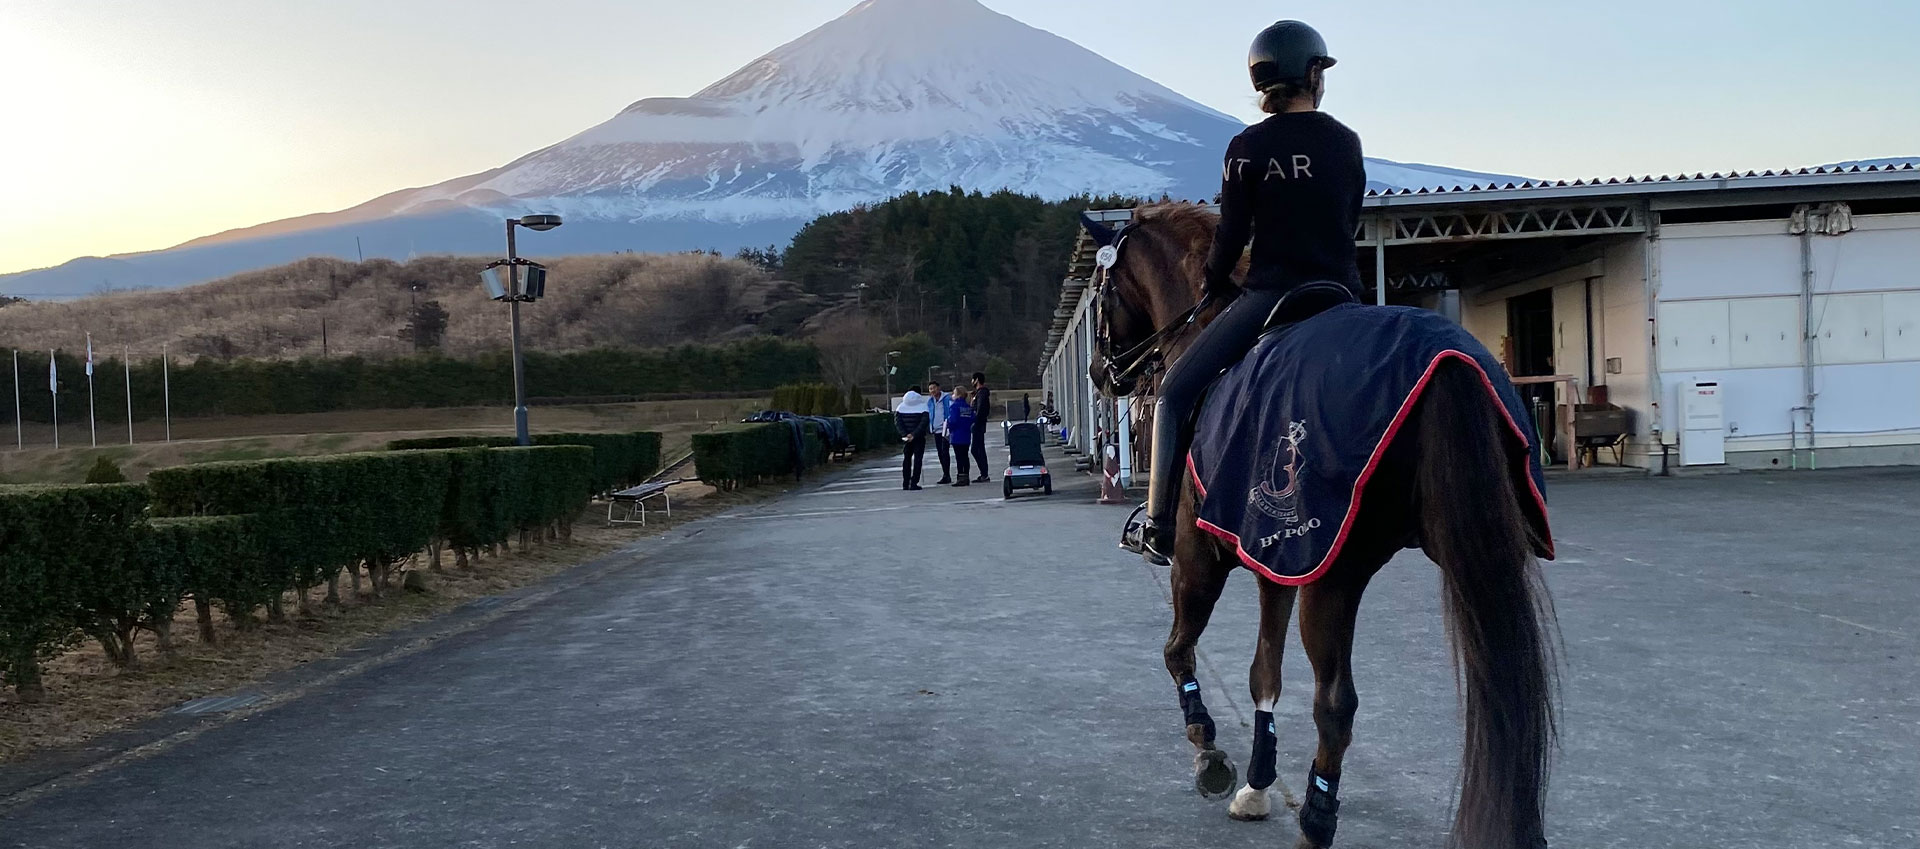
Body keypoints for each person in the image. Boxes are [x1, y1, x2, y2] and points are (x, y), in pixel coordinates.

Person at [1135, 20, 1366, 565]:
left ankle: (1159, 524)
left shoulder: (1246, 148)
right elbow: (1347, 222)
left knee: (1174, 392)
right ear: (1314, 73)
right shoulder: (1345, 141)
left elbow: (1232, 236)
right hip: (1343, 295)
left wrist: (1213, 281)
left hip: (1273, 295)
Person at [895, 387, 930, 491]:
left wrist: (905, 434)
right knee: (918, 460)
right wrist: (914, 434)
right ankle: (914, 482)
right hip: (919, 437)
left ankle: (905, 482)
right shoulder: (923, 407)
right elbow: (924, 423)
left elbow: (898, 423)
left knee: (906, 459)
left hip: (906, 439)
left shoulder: (900, 407)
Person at [945, 387, 977, 486]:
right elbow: (973, 418)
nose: (952, 396)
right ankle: (966, 476)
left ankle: (960, 477)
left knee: (959, 457)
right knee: (965, 456)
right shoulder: (967, 407)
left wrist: (948, 425)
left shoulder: (954, 406)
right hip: (966, 434)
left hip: (957, 435)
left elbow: (953, 420)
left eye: (954, 393)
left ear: (958, 395)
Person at [926, 381, 953, 485]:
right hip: (936, 430)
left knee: (944, 451)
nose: (932, 390)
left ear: (939, 388)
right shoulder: (930, 401)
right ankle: (945, 473)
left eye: (934, 388)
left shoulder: (947, 399)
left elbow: (950, 411)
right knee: (940, 453)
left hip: (945, 429)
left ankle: (947, 474)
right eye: (930, 389)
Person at [968, 372, 993, 483]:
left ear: (977, 380)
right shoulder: (978, 393)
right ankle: (984, 473)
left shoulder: (981, 393)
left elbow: (981, 409)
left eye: (972, 379)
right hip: (978, 424)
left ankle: (984, 473)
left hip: (978, 424)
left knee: (976, 449)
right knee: (979, 448)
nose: (971, 382)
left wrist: (975, 421)